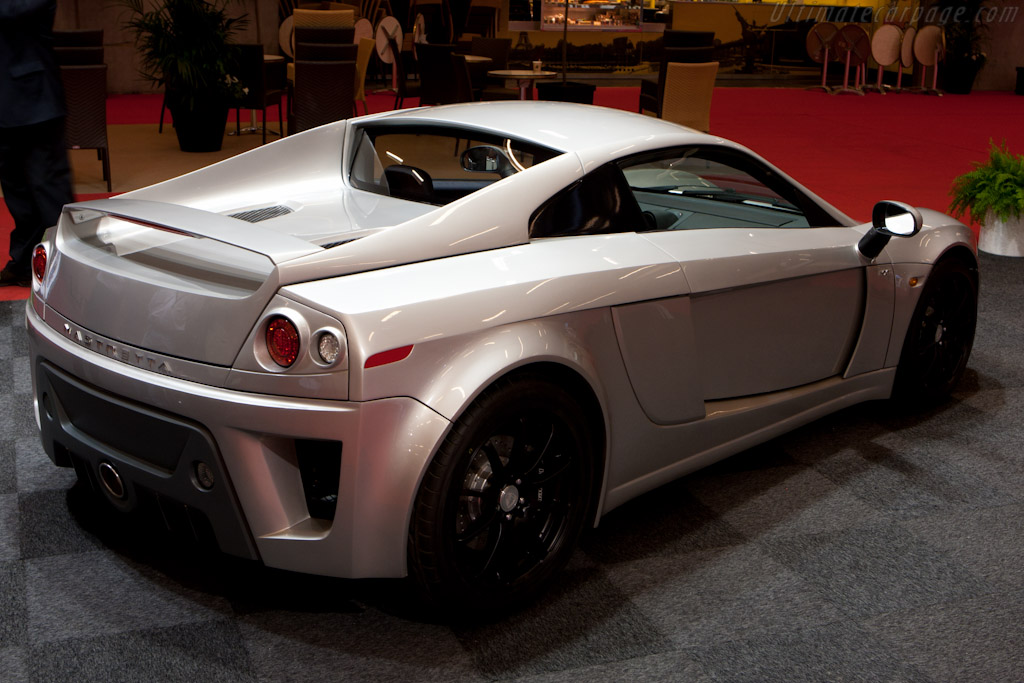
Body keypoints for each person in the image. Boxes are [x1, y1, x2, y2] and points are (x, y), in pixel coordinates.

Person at [0, 0, 74, 287]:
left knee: (49, 191)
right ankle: (23, 264)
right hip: (6, 104)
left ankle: (73, 267)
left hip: (36, 104)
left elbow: (12, 12)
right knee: (17, 193)